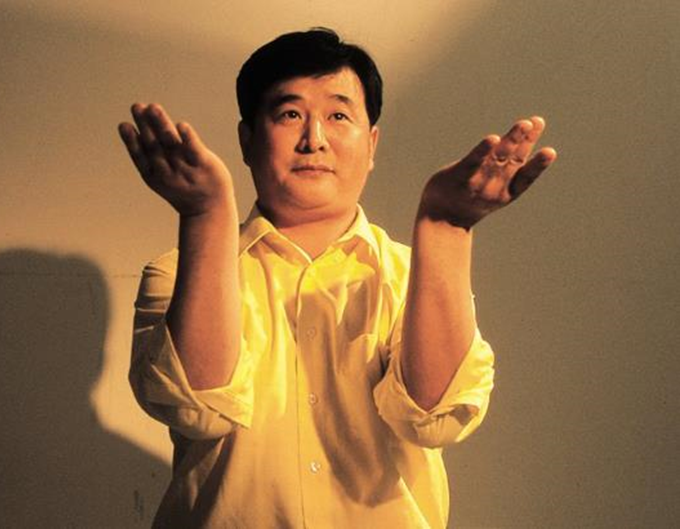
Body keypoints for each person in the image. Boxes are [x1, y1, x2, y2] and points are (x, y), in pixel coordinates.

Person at [118, 28, 556, 529]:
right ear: (247, 139)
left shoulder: (413, 274)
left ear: (371, 144)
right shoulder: (178, 271)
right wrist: (205, 214)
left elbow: (434, 419)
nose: (315, 139)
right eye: (289, 114)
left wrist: (446, 227)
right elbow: (198, 408)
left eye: (338, 116)